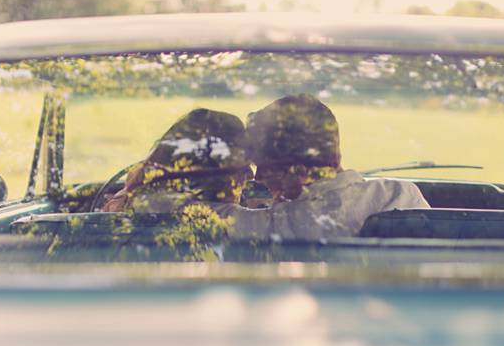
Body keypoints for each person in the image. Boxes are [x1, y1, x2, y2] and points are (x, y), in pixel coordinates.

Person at [234, 93, 430, 241]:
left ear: (299, 173)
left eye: (265, 167)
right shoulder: (401, 195)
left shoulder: (281, 223)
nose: (257, 177)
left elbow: (210, 216)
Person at [102, 108, 252, 213]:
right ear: (217, 169)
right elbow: (272, 224)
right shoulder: (221, 217)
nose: (251, 175)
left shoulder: (129, 201)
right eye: (243, 166)